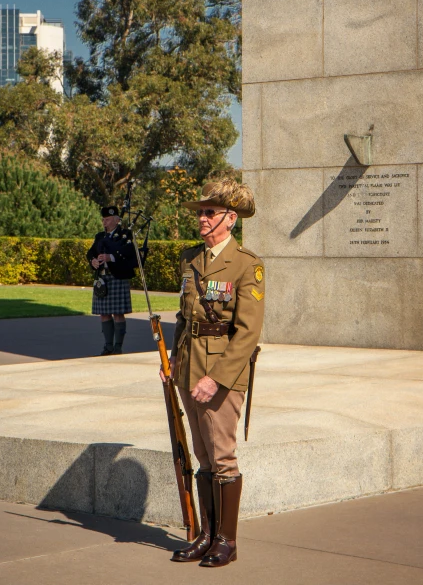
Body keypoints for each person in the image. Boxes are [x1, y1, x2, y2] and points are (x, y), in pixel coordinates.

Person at [164, 179, 264, 568]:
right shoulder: (191, 259)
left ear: (230, 219)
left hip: (221, 371)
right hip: (189, 367)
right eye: (201, 213)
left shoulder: (246, 265)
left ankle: (227, 540)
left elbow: (248, 333)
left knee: (222, 457)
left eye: (209, 213)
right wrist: (172, 360)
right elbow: (184, 318)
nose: (202, 219)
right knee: (202, 454)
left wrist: (216, 378)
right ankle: (205, 535)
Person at [87, 205, 137, 355]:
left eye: (108, 219)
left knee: (118, 313)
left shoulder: (125, 235)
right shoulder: (100, 236)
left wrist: (111, 257)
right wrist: (93, 261)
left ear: (116, 220)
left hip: (118, 277)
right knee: (104, 313)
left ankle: (118, 347)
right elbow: (90, 253)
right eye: (103, 219)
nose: (105, 222)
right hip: (102, 278)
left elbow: (130, 252)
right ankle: (108, 346)